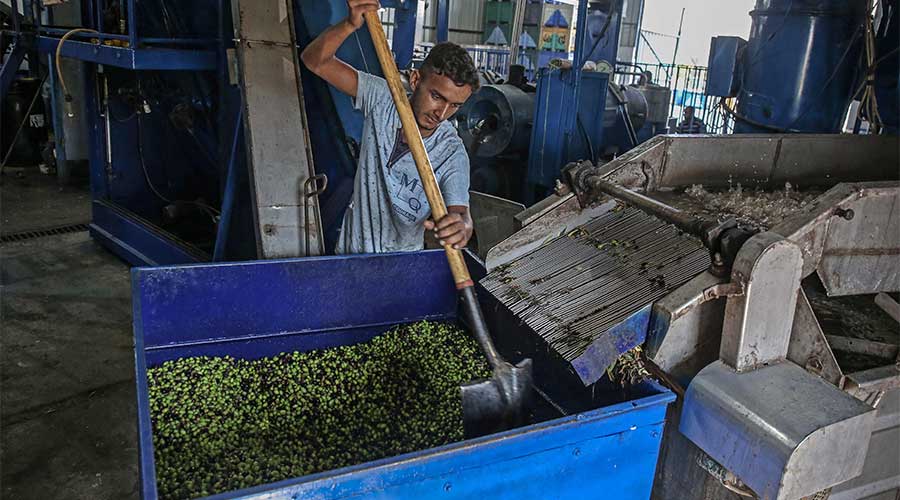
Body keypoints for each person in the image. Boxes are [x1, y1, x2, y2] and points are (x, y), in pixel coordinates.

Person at [301, 0, 479, 254]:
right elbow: (314, 61)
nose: (441, 113)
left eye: (455, 106)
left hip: (402, 265)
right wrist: (349, 25)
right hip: (350, 255)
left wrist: (462, 227)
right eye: (437, 96)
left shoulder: (451, 152)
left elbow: (462, 215)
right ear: (416, 80)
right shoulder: (384, 98)